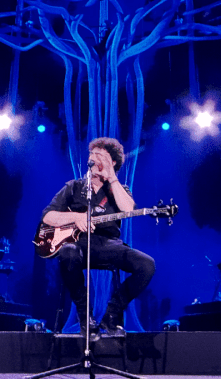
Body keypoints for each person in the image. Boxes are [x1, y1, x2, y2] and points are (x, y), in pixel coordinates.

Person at [41, 138, 156, 337]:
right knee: (67, 252)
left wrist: (112, 178)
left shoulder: (119, 189)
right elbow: (47, 216)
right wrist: (75, 217)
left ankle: (111, 314)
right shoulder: (74, 187)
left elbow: (128, 209)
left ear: (113, 162)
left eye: (100, 156)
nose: (93, 159)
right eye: (92, 154)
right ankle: (85, 314)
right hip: (79, 245)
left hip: (110, 245)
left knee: (147, 265)